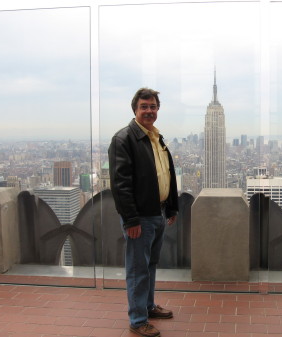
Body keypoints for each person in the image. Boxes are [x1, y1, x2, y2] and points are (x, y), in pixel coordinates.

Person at [108, 88, 178, 337]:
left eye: (153, 106)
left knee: (150, 264)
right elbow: (121, 184)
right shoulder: (124, 139)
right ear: (135, 110)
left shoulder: (156, 138)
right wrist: (131, 219)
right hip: (140, 217)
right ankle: (138, 320)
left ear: (158, 109)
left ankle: (147, 306)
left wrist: (171, 206)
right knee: (138, 268)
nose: (149, 111)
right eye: (144, 106)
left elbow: (166, 174)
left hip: (157, 212)